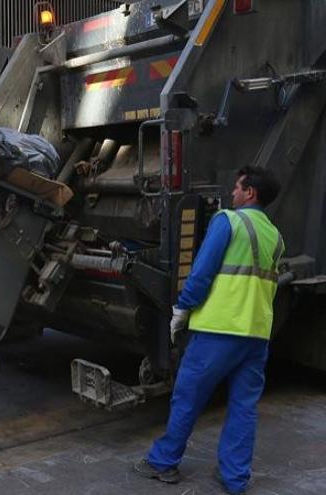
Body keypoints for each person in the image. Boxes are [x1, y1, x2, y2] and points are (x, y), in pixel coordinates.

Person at [134, 166, 284, 495]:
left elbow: (201, 272)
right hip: (256, 335)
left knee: (188, 397)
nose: (231, 193)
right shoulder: (275, 235)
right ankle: (234, 479)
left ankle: (163, 462)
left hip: (218, 330)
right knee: (244, 407)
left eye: (237, 188)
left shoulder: (227, 222)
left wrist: (182, 308)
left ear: (250, 194)